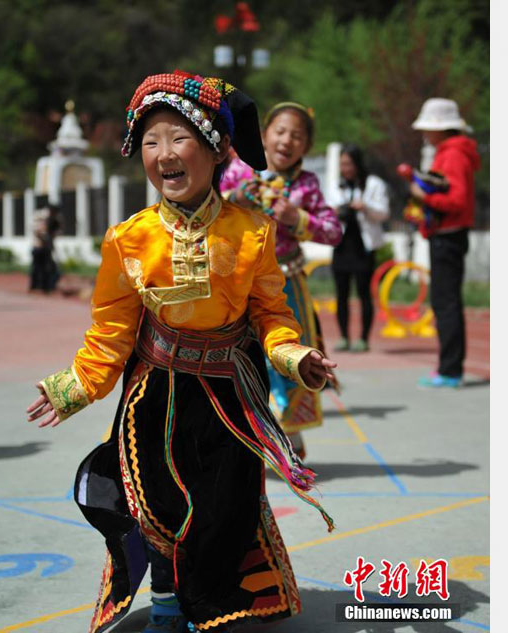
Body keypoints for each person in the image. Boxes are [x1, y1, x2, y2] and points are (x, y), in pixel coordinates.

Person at [25, 71, 336, 633]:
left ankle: (207, 607)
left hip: (231, 394)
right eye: (150, 142)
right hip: (157, 393)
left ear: (217, 150)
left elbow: (272, 316)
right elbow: (111, 332)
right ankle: (168, 601)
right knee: (157, 505)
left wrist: (293, 357)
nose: (163, 154)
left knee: (224, 510)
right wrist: (75, 386)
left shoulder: (253, 233)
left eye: (178, 139)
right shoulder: (128, 240)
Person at [220, 102, 342, 460]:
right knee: (241, 357)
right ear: (263, 135)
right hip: (239, 286)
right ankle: (248, 433)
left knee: (288, 356)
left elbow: (333, 231)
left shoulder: (307, 184)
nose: (287, 141)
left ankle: (289, 433)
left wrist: (297, 218)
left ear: (305, 147)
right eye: (280, 131)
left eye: (297, 136)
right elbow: (211, 209)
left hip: (287, 286)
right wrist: (234, 200)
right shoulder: (239, 172)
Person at [408, 98, 481, 388]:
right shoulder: (448, 152)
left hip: (448, 236)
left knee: (446, 303)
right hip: (445, 234)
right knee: (444, 302)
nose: (425, 133)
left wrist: (423, 196)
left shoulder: (453, 155)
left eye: (429, 127)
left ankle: (450, 370)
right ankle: (449, 368)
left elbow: (457, 199)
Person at [326, 144, 390, 352]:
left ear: (358, 163)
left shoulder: (373, 184)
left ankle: (363, 338)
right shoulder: (337, 185)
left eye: (349, 163)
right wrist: (336, 211)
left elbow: (383, 213)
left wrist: (365, 207)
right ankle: (344, 336)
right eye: (343, 164)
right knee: (341, 294)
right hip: (342, 246)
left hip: (364, 247)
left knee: (364, 293)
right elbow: (327, 210)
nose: (346, 168)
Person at [28, 203, 61, 293]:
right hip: (38, 247)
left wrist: (50, 239)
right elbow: (38, 232)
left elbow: (54, 232)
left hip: (46, 248)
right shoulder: (41, 217)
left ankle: (45, 286)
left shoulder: (53, 220)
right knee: (37, 267)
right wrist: (46, 237)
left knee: (47, 268)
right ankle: (35, 286)